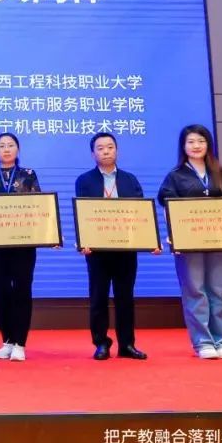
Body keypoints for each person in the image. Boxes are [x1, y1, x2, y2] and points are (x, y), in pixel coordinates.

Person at [158, 124, 222, 360]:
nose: (196, 146)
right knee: (195, 290)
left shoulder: (220, 173)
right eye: (191, 142)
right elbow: (168, 207)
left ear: (208, 145)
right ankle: (203, 342)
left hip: (218, 240)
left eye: (201, 141)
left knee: (218, 290)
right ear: (183, 147)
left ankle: (221, 341)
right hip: (189, 242)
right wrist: (174, 234)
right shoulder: (176, 176)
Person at [74, 133, 150, 362]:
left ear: (117, 150)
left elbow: (140, 214)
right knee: (98, 298)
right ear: (93, 154)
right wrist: (83, 242)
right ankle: (101, 343)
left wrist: (149, 241)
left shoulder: (130, 179)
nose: (106, 151)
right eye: (100, 148)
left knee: (125, 298)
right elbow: (82, 214)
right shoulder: (84, 180)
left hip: (126, 249)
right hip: (97, 251)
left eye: (110, 147)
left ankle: (127, 344)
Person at [0, 133, 40, 362]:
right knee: (1, 291)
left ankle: (20, 344)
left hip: (24, 244)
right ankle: (7, 341)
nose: (6, 149)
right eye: (1, 145)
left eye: (11, 145)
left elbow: (38, 207)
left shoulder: (29, 175)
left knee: (22, 290)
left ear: (18, 149)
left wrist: (48, 233)